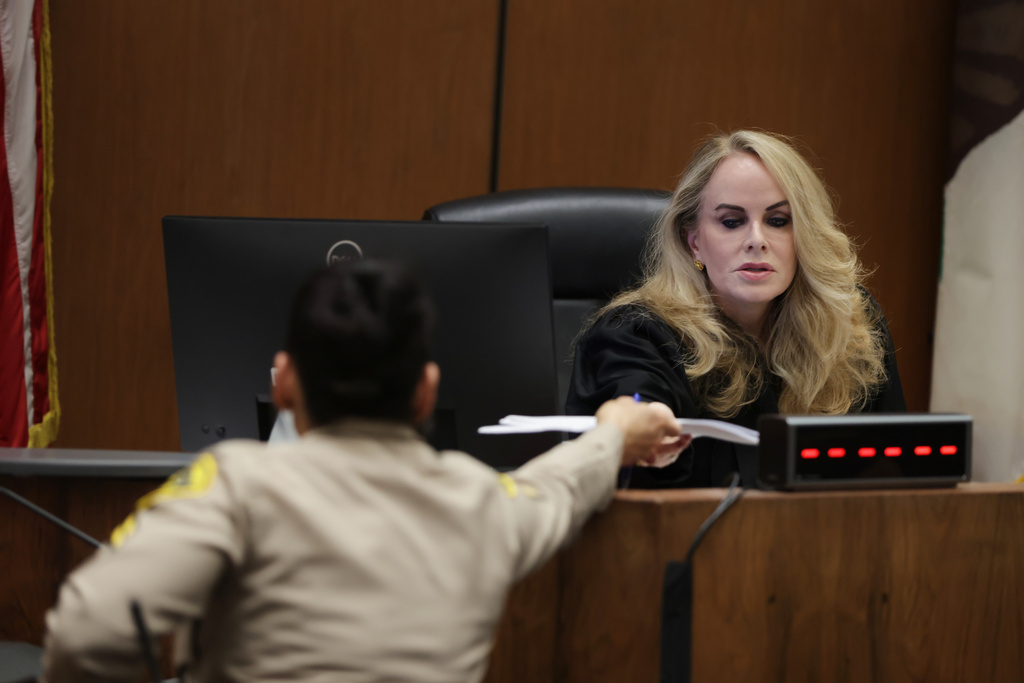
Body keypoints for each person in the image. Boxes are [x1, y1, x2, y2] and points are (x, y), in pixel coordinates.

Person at [42, 260, 687, 682]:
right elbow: (558, 487)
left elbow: (86, 631)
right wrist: (613, 435)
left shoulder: (238, 484)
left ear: (286, 383)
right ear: (426, 392)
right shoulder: (479, 503)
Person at [566, 130, 906, 489]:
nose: (757, 240)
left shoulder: (850, 323)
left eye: (778, 221)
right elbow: (637, 404)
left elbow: (894, 470)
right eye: (732, 222)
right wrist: (647, 421)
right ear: (693, 241)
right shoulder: (637, 333)